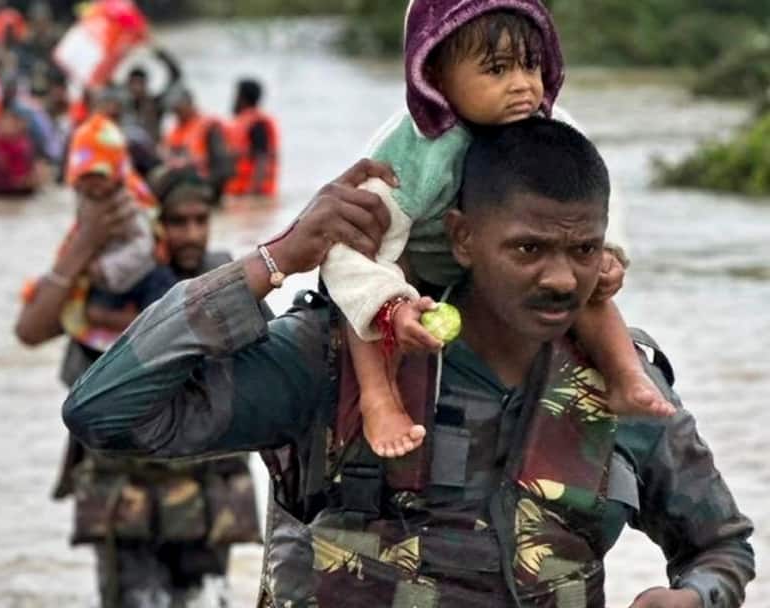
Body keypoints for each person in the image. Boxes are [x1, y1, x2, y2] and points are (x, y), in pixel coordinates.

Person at [63, 119, 756, 608]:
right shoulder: (336, 361)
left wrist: (695, 596)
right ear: (461, 237)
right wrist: (275, 260)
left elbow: (720, 545)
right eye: (527, 249)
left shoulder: (623, 387)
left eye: (582, 252)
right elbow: (107, 411)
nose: (559, 280)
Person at [321, 0, 672, 460]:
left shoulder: (551, 126)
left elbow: (595, 190)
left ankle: (626, 375)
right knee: (368, 296)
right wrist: (390, 305)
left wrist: (608, 253)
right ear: (437, 74)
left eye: (531, 65)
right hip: (414, 267)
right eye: (498, 70)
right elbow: (351, 245)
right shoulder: (412, 149)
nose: (523, 85)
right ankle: (380, 398)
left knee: (574, 273)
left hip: (499, 272)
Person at [15, 163, 260, 608]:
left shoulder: (216, 279)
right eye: (177, 222)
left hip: (204, 489)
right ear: (153, 226)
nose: (190, 234)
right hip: (122, 493)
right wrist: (84, 244)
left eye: (200, 221)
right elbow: (30, 329)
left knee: (208, 599)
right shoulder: (105, 282)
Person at [162, 88, 234, 197]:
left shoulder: (209, 127)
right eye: (174, 110)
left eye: (179, 108)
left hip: (204, 182)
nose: (177, 113)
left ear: (189, 103)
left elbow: (223, 166)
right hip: (181, 180)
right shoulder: (175, 131)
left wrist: (213, 187)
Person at [223, 78, 279, 198]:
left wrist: (253, 192)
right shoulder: (241, 121)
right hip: (238, 194)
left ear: (242, 98)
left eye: (236, 95)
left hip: (254, 195)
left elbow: (262, 157)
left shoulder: (257, 124)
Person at [122, 48, 183, 144]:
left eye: (140, 83)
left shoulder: (156, 104)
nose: (137, 87)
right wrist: (121, 53)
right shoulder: (122, 106)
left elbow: (176, 76)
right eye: (133, 83)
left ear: (146, 84)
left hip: (152, 153)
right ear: (128, 85)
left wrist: (158, 53)